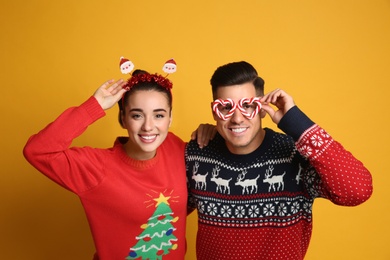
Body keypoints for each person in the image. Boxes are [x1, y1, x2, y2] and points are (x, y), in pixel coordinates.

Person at [186, 61, 373, 260]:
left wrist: (296, 123)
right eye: (226, 108)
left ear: (262, 109)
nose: (237, 119)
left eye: (248, 106)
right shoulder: (198, 154)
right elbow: (165, 207)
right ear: (215, 111)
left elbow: (358, 190)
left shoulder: (296, 155)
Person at [23, 70, 210, 260]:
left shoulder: (176, 148)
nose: (148, 126)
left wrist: (212, 132)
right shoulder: (96, 168)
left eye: (159, 115)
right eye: (137, 115)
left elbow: (200, 189)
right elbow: (37, 150)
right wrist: (93, 107)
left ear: (170, 118)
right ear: (123, 119)